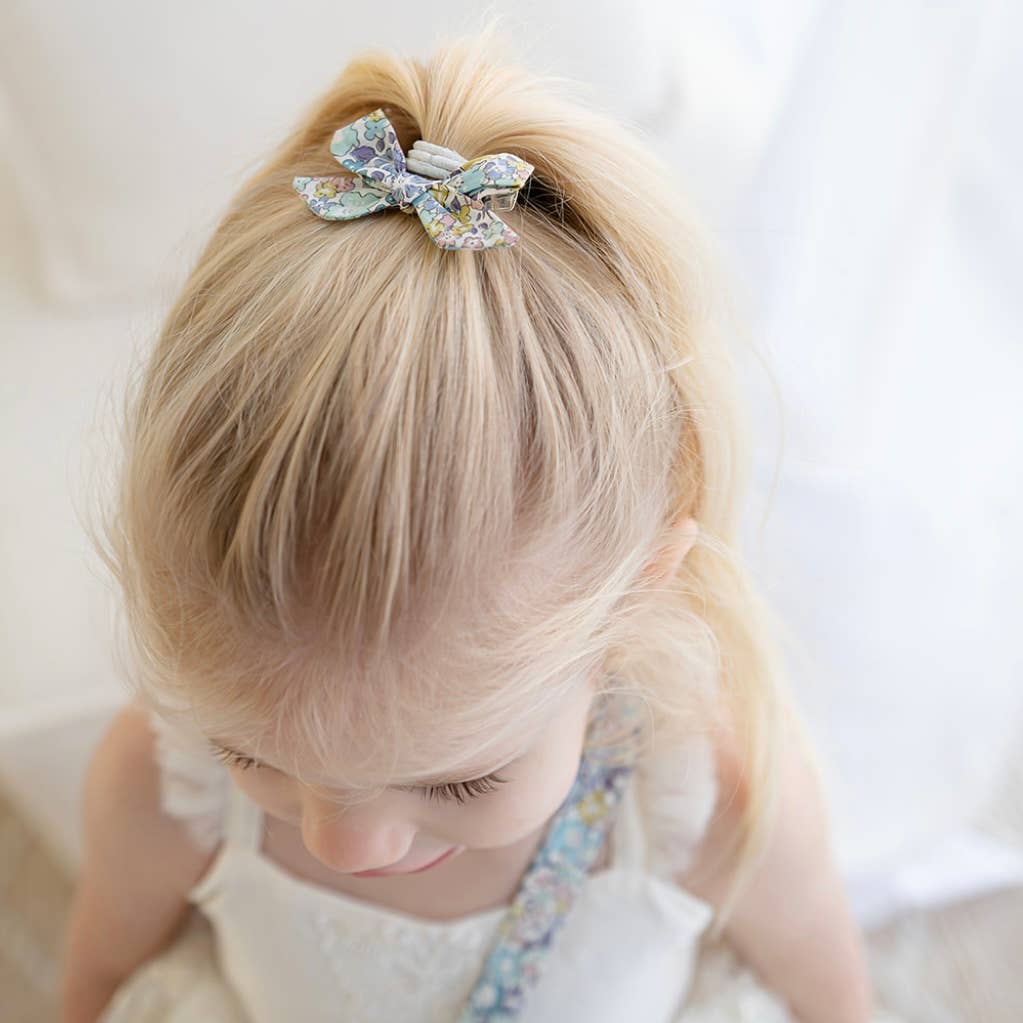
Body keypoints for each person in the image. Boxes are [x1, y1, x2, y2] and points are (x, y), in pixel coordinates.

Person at [59, 22, 877, 1023]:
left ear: (640, 588)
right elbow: (94, 985)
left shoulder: (710, 806)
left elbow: (835, 1003)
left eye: (460, 783)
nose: (342, 842)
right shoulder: (162, 786)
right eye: (253, 754)